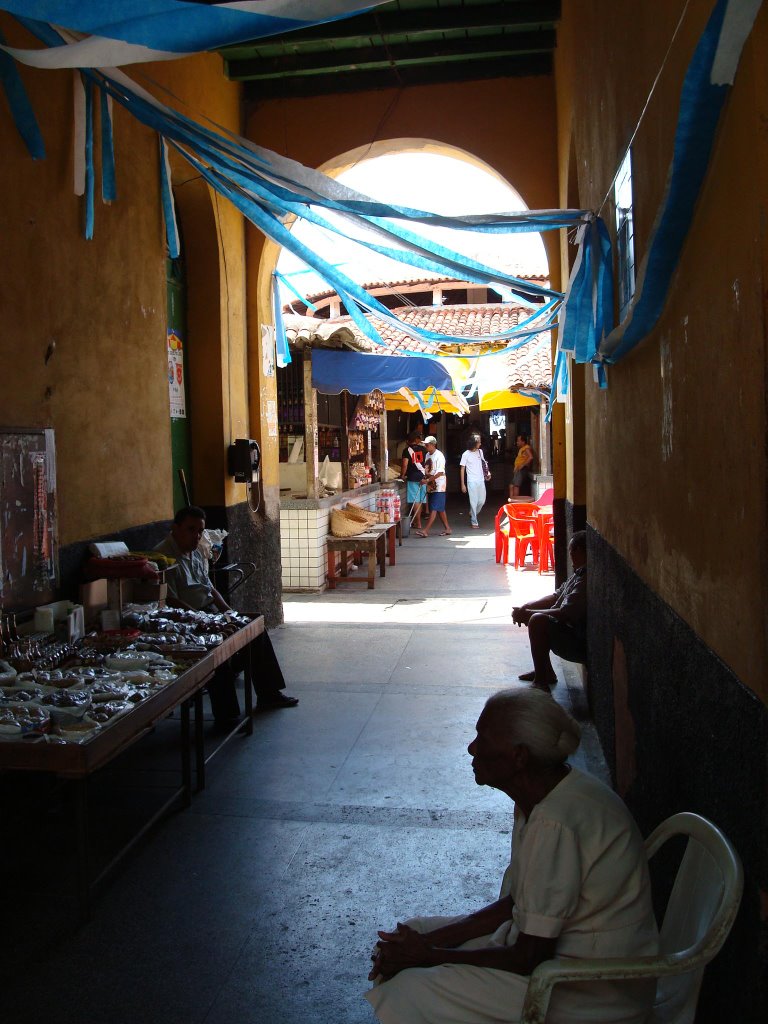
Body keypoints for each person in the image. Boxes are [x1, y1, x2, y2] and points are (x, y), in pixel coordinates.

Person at [366, 688, 658, 1024]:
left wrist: (428, 955)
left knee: (409, 991)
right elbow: (517, 902)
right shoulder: (540, 797)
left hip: (590, 988)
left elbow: (529, 957)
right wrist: (423, 944)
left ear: (519, 756)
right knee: (409, 933)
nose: (471, 749)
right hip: (556, 956)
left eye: (483, 740)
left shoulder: (555, 820)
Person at [156, 506, 298, 723]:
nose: (197, 536)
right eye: (191, 529)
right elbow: (170, 601)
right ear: (176, 528)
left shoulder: (195, 552)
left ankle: (269, 694)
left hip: (209, 612)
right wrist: (203, 620)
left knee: (254, 627)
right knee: (217, 652)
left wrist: (229, 612)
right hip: (187, 619)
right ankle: (227, 716)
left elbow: (210, 588)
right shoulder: (164, 557)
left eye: (200, 531)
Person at [511, 531, 586, 689]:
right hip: (571, 632)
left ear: (579, 551)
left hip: (580, 642)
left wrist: (530, 614)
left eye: (571, 551)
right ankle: (546, 671)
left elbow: (565, 613)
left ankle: (541, 681)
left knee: (538, 621)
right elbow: (555, 596)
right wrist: (527, 607)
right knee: (536, 616)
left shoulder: (585, 579)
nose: (570, 555)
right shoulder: (578, 574)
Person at [416, 436, 451, 537]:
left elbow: (440, 472)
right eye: (425, 445)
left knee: (434, 508)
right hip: (431, 484)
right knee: (439, 508)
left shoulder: (439, 456)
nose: (425, 446)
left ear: (433, 445)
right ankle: (447, 528)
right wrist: (425, 478)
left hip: (439, 485)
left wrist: (427, 480)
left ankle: (426, 530)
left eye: (427, 445)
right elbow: (427, 469)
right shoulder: (427, 455)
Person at [400, 430, 428, 531]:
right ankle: (418, 522)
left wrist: (402, 475)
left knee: (415, 501)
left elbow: (404, 465)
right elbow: (428, 463)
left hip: (412, 477)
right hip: (423, 477)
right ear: (417, 439)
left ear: (408, 441)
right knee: (420, 500)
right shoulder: (424, 449)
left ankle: (418, 523)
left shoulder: (406, 450)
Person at [459, 433, 487, 529]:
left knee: (482, 501)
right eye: (479, 442)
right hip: (471, 481)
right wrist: (462, 484)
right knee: (473, 502)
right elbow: (462, 469)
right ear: (474, 443)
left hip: (481, 480)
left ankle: (472, 512)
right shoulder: (465, 454)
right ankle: (474, 521)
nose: (480, 443)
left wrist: (488, 473)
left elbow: (484, 463)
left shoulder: (480, 452)